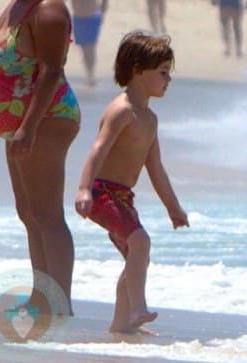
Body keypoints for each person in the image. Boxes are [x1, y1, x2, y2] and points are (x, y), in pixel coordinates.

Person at [75, 31, 189, 333]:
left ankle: (120, 324)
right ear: (139, 71)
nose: (169, 80)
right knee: (140, 243)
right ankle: (137, 308)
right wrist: (84, 188)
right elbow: (98, 149)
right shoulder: (122, 110)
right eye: (163, 73)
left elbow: (156, 168)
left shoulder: (149, 119)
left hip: (124, 198)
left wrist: (173, 207)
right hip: (102, 193)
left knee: (137, 256)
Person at [0, 0, 80, 314]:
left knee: (47, 215)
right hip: (18, 122)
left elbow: (51, 72)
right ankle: (41, 297)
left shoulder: (49, 10)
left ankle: (60, 306)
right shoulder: (15, 7)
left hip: (47, 119)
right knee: (29, 213)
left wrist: (29, 127)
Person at [70, 0, 108, 86]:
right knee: (84, 47)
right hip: (78, 17)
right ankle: (88, 72)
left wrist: (103, 11)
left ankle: (90, 74)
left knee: (90, 47)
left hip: (92, 16)